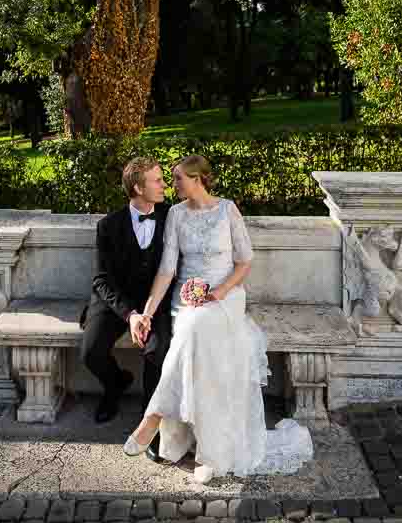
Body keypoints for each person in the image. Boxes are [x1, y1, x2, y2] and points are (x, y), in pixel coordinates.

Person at [123, 154, 313, 484]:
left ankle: (154, 416)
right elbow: (168, 269)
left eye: (178, 178)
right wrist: (147, 314)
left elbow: (244, 261)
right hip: (186, 300)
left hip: (225, 296)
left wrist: (219, 292)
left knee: (196, 331)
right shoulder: (177, 216)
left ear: (197, 179)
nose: (172, 184)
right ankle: (207, 450)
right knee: (193, 332)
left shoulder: (227, 210)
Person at [81, 156, 171, 462]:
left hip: (155, 302)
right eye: (157, 180)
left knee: (157, 351)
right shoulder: (108, 226)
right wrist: (130, 315)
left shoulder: (172, 216)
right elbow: (101, 279)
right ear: (137, 187)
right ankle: (115, 384)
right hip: (114, 303)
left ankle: (151, 425)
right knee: (90, 351)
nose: (163, 185)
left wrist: (146, 312)